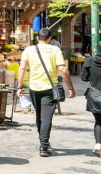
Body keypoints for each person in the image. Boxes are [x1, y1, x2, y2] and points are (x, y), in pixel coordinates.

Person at [17, 29, 76, 157]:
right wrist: (70, 87)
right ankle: (44, 146)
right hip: (49, 88)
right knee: (46, 117)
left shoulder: (29, 50)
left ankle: (43, 140)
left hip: (34, 87)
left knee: (39, 115)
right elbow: (63, 70)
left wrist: (19, 86)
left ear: (37, 38)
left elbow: (22, 68)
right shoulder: (55, 50)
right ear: (49, 39)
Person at [81, 52, 101, 156]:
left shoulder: (89, 61)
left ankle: (98, 144)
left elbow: (84, 77)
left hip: (95, 95)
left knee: (98, 121)